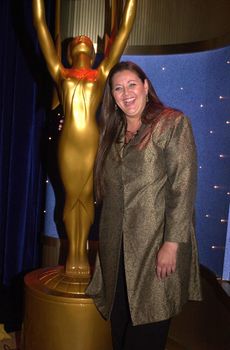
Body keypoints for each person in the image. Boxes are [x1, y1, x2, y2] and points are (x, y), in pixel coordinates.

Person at [86, 61, 202, 350]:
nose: (126, 93)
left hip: (155, 248)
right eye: (118, 88)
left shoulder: (171, 123)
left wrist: (172, 244)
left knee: (147, 329)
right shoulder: (111, 136)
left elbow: (183, 187)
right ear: (112, 96)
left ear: (146, 86)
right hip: (117, 251)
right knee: (120, 329)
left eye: (132, 85)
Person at [32, 0, 136, 279]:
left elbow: (125, 29)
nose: (82, 39)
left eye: (87, 40)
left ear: (92, 53)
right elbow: (40, 24)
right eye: (78, 39)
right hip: (67, 144)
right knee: (71, 198)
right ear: (69, 52)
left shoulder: (101, 74)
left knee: (86, 199)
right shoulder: (60, 73)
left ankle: (82, 253)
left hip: (92, 142)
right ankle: (74, 255)